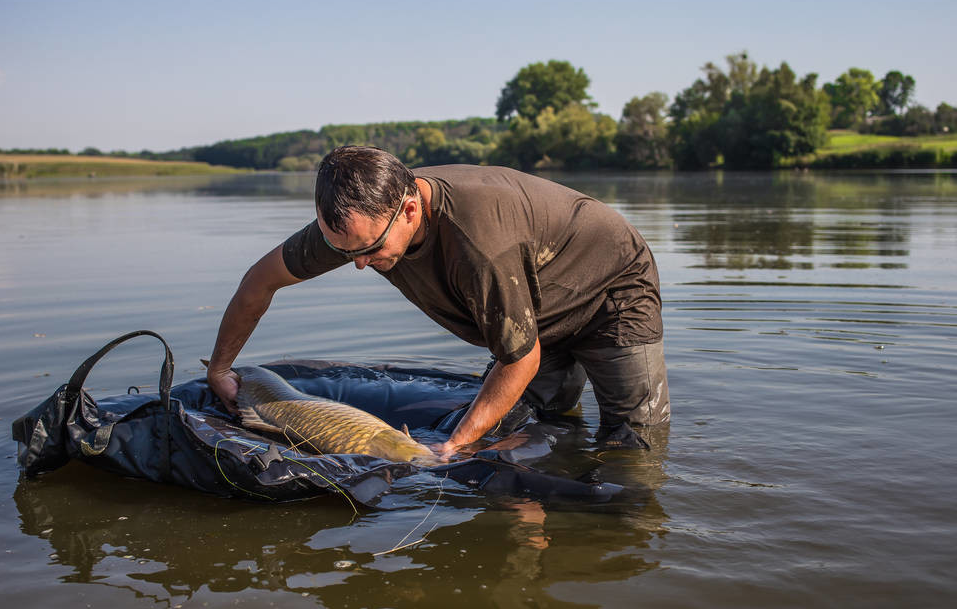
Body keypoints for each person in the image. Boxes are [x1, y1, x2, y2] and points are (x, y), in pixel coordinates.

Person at [207, 146, 669, 458]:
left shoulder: (479, 245)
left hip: (611, 289)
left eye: (369, 249)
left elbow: (520, 361)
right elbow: (258, 283)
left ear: (410, 209)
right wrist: (221, 369)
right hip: (531, 299)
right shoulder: (356, 225)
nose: (360, 265)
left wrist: (453, 447)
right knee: (532, 421)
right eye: (345, 252)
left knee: (632, 443)